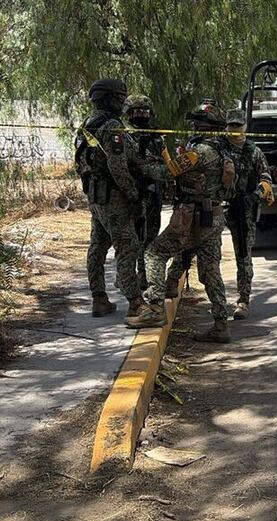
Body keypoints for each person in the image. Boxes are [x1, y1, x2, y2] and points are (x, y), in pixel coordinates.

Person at [127, 100, 236, 344]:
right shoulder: (224, 150)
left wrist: (142, 166)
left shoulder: (200, 152)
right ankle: (220, 324)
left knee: (154, 254)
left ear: (203, 126)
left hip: (193, 217)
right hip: (214, 216)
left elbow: (170, 171)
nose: (194, 126)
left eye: (197, 122)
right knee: (210, 271)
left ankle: (155, 310)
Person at [75, 78, 143, 318]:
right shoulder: (112, 126)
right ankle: (136, 303)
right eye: (120, 98)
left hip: (95, 196)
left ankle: (99, 298)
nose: (123, 102)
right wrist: (133, 195)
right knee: (128, 246)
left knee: (98, 246)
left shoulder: (87, 123)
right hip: (113, 198)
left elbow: (80, 162)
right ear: (110, 99)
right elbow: (118, 167)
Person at [222, 109, 274, 320]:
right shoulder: (219, 148)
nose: (235, 130)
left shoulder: (254, 152)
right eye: (231, 125)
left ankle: (243, 300)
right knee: (209, 254)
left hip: (245, 210)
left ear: (245, 127)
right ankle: (217, 302)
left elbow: (267, 180)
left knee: (243, 256)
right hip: (220, 208)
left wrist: (254, 196)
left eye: (238, 125)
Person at [123, 94, 165, 292]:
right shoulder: (124, 134)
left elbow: (166, 162)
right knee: (136, 236)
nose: (142, 115)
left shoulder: (156, 136)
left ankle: (145, 274)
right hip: (134, 193)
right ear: (129, 113)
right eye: (137, 111)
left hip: (154, 191)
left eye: (145, 111)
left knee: (151, 233)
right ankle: (135, 276)